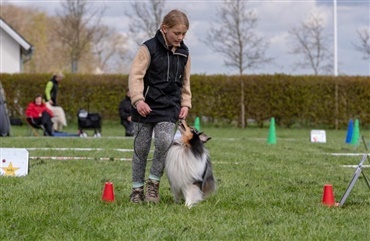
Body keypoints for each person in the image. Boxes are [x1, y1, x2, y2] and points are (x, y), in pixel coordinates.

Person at [128, 9, 192, 204]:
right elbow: (135, 76)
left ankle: (153, 184)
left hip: (168, 107)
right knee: (142, 147)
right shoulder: (147, 49)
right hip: (144, 106)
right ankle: (137, 189)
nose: (180, 38)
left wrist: (185, 103)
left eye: (184, 34)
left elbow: (186, 81)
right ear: (164, 29)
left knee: (164, 141)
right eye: (177, 33)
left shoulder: (184, 53)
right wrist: (138, 100)